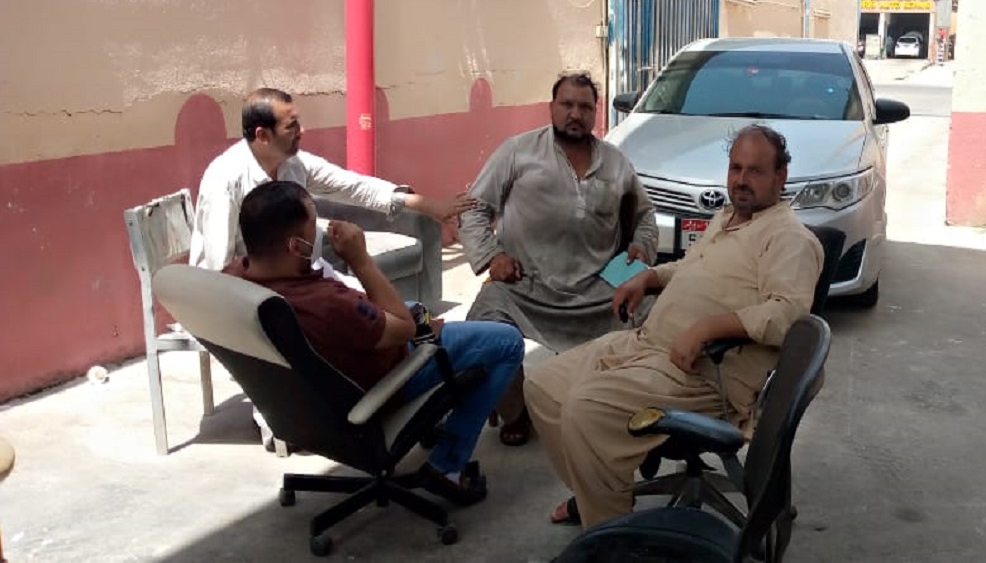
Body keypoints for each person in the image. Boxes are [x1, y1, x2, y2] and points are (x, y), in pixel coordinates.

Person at [523, 124, 824, 529]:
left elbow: (788, 315)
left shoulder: (789, 238)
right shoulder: (728, 219)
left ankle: (612, 541)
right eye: (735, 168)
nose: (741, 180)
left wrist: (707, 329)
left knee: (586, 409)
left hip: (701, 374)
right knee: (543, 387)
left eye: (755, 170)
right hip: (646, 345)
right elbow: (692, 268)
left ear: (780, 176)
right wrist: (649, 278)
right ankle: (599, 496)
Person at [223, 180, 525, 504]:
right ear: (296, 246)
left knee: (418, 310)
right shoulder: (326, 305)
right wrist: (360, 259)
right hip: (386, 377)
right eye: (313, 226)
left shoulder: (236, 277)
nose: (320, 233)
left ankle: (430, 418)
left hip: (313, 395)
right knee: (507, 343)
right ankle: (447, 466)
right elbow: (404, 328)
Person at [458, 72, 658, 447]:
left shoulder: (616, 163)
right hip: (525, 284)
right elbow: (473, 209)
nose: (575, 114)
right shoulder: (517, 151)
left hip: (598, 286)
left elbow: (645, 215)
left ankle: (626, 408)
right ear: (551, 108)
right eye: (567, 105)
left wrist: (641, 246)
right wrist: (491, 256)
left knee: (658, 312)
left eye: (585, 107)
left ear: (596, 112)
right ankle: (515, 411)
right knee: (484, 329)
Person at [190, 87, 474, 272]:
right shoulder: (225, 179)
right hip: (252, 292)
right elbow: (219, 268)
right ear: (263, 135)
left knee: (370, 310)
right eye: (291, 126)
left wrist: (429, 206)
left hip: (300, 280)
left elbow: (352, 186)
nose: (302, 131)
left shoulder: (294, 164)